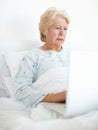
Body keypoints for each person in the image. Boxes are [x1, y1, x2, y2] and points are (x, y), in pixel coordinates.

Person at [13, 7, 70, 108]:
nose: (62, 33)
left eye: (65, 28)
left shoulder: (72, 56)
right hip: (51, 106)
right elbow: (20, 91)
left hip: (75, 103)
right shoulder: (32, 57)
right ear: (44, 30)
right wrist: (56, 97)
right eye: (57, 28)